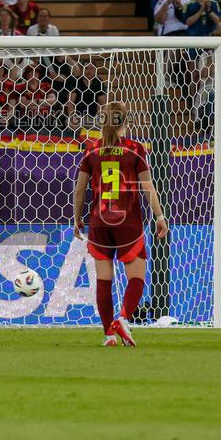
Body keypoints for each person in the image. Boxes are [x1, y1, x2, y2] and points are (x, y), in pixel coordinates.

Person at [72, 101, 168, 347]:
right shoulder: (135, 149)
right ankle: (123, 318)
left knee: (104, 279)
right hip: (127, 221)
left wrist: (77, 219)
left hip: (99, 222)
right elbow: (148, 187)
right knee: (137, 275)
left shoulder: (91, 149)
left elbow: (80, 189)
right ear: (126, 121)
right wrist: (159, 216)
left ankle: (109, 335)